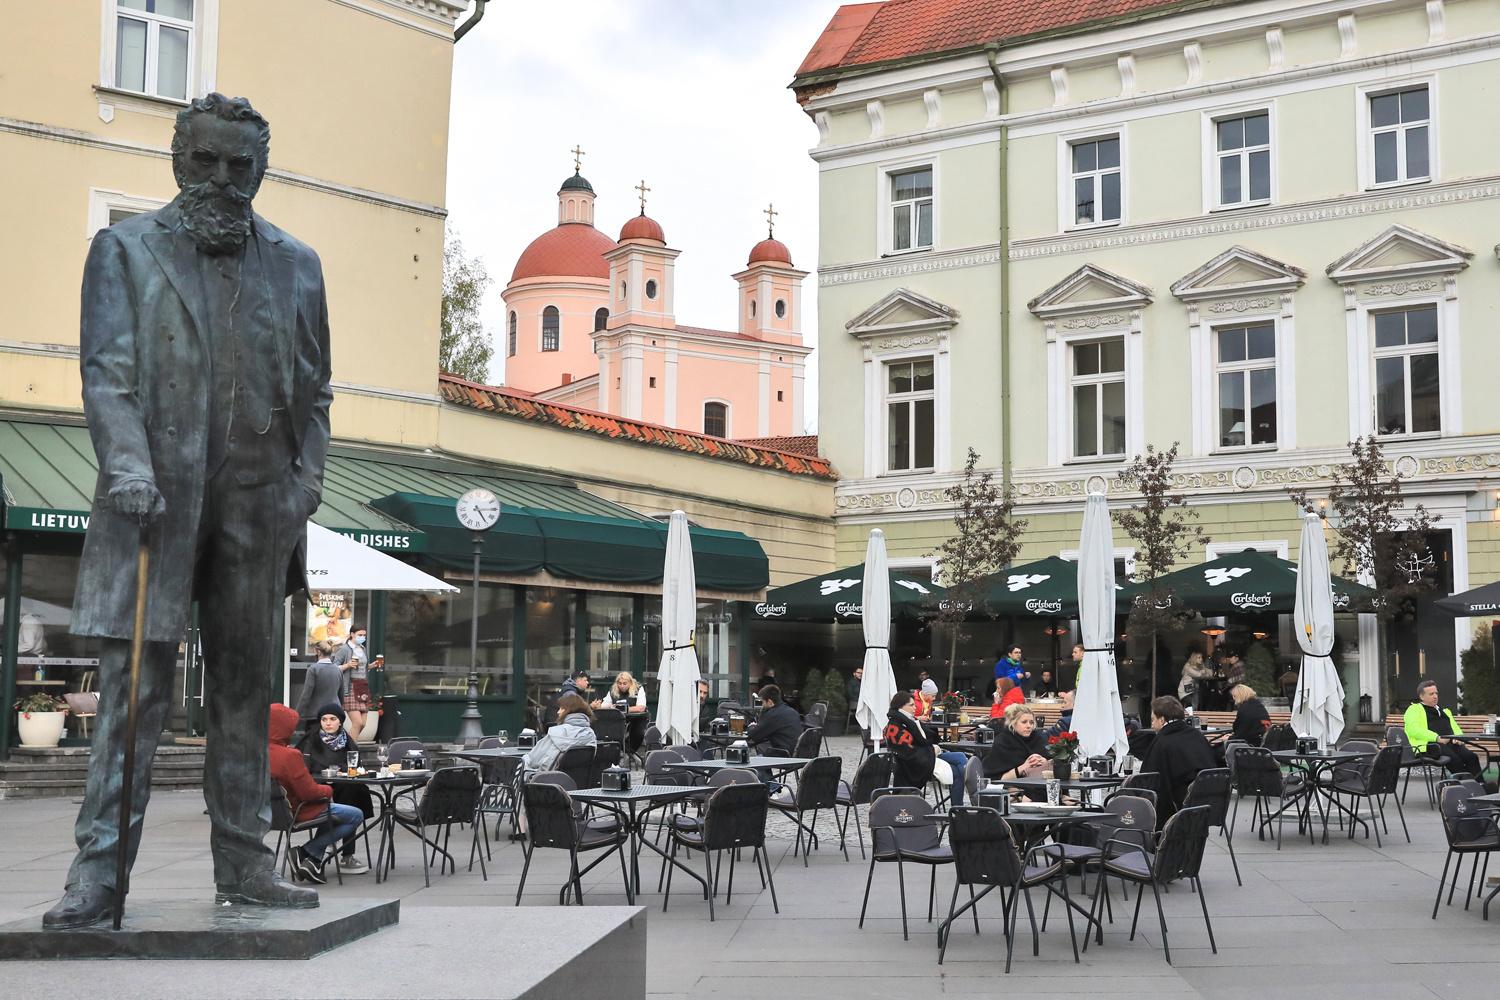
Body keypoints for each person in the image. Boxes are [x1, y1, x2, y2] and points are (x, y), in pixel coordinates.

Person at [46, 94, 332, 927]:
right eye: (206, 161)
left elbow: (315, 394)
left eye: (240, 165)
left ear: (261, 169)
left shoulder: (298, 263)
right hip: (154, 509)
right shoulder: (126, 249)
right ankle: (98, 872)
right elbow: (108, 374)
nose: (222, 179)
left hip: (259, 508)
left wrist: (303, 486)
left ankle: (245, 864)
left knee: (244, 698)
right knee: (135, 695)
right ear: (180, 159)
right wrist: (128, 464)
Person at [267, 703, 359, 886]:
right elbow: (309, 793)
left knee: (332, 812)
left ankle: (314, 861)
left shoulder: (255, 753)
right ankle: (307, 851)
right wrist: (329, 790)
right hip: (297, 811)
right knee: (355, 815)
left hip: (270, 813)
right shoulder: (289, 755)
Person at [295, 703, 372, 874]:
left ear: (340, 722)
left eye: (332, 719)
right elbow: (302, 768)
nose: (328, 723)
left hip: (342, 785)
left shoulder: (347, 741)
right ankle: (321, 850)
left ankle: (343, 854)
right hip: (315, 787)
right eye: (324, 719)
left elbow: (356, 766)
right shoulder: (311, 739)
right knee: (337, 800)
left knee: (353, 792)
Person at [884, 691, 968, 808]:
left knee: (960, 757)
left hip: (925, 755)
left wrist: (932, 745)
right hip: (914, 764)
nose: (915, 708)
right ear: (901, 706)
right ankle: (961, 806)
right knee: (957, 770)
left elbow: (925, 739)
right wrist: (932, 749)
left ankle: (961, 805)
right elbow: (909, 753)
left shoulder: (908, 720)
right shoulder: (895, 726)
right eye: (911, 705)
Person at [1140, 696, 1218, 821]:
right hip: (1208, 803)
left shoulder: (1163, 742)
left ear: (1162, 720)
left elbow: (1150, 780)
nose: (1152, 725)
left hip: (1178, 809)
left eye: (1153, 720)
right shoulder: (1197, 736)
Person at [1404, 680, 1483, 779]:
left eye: (1436, 693)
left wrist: (1458, 738)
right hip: (1429, 745)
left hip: (1450, 743)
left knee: (1471, 757)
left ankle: (1480, 786)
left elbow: (1456, 728)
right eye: (1431, 694)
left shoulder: (1444, 711)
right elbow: (1414, 729)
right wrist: (1436, 738)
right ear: (1421, 696)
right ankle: (1469, 787)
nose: (1435, 696)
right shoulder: (1414, 710)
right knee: (1454, 759)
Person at [523, 694, 598, 775]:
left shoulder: (556, 733)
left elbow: (533, 760)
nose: (558, 712)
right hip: (578, 784)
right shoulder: (590, 734)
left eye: (561, 708)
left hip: (548, 782)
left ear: (569, 710)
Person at [983, 704, 1050, 780]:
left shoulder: (1038, 739)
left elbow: (1050, 760)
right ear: (1013, 723)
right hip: (1011, 787)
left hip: (1039, 785)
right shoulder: (1003, 742)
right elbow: (997, 778)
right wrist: (1024, 767)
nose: (1029, 726)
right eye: (1024, 722)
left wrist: (1045, 761)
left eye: (1031, 722)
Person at [293, 640, 341, 732]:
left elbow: (306, 695)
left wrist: (296, 713)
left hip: (315, 715)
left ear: (318, 652)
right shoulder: (337, 670)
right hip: (334, 714)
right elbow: (341, 694)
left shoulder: (313, 669)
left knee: (313, 743)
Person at [334, 624, 372, 737]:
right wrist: (348, 665)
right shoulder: (344, 649)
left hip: (362, 686)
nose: (362, 637)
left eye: (364, 635)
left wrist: (371, 666)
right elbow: (334, 668)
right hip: (350, 687)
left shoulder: (363, 649)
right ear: (352, 634)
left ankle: (348, 745)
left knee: (363, 724)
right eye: (360, 635)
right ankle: (350, 750)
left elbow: (362, 669)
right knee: (357, 723)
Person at [745, 685, 801, 756]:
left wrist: (751, 726)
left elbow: (754, 736)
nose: (761, 705)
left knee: (756, 754)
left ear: (769, 701)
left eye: (762, 702)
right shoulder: (793, 712)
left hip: (784, 753)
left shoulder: (773, 715)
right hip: (796, 752)